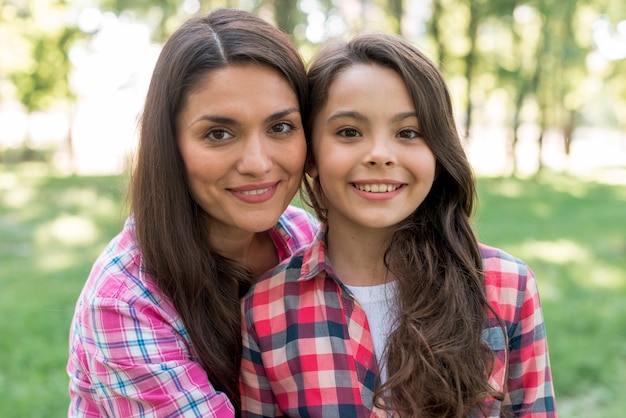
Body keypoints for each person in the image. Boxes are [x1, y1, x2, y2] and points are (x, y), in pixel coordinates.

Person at [240, 33, 557, 417]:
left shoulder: (506, 287)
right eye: (349, 132)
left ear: (438, 152)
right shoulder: (264, 308)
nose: (380, 155)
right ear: (310, 154)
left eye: (408, 133)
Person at [67, 8, 318, 417]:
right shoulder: (125, 301)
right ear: (170, 145)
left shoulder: (305, 239)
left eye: (280, 127)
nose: (257, 162)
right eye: (219, 134)